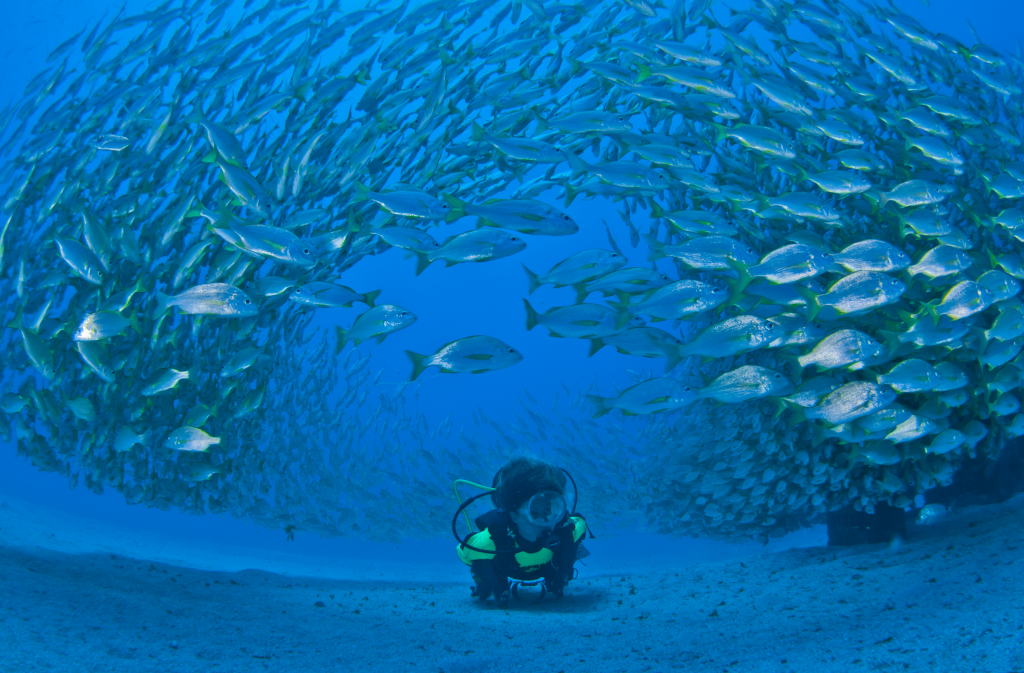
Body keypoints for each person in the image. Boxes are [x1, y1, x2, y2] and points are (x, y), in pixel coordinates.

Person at [455, 456, 588, 605]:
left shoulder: (567, 532)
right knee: (486, 575)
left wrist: (568, 556)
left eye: (549, 511)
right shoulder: (489, 542)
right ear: (515, 516)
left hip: (548, 568)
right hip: (505, 566)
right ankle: (494, 587)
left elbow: (580, 524)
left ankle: (557, 580)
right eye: (534, 513)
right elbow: (464, 552)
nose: (545, 523)